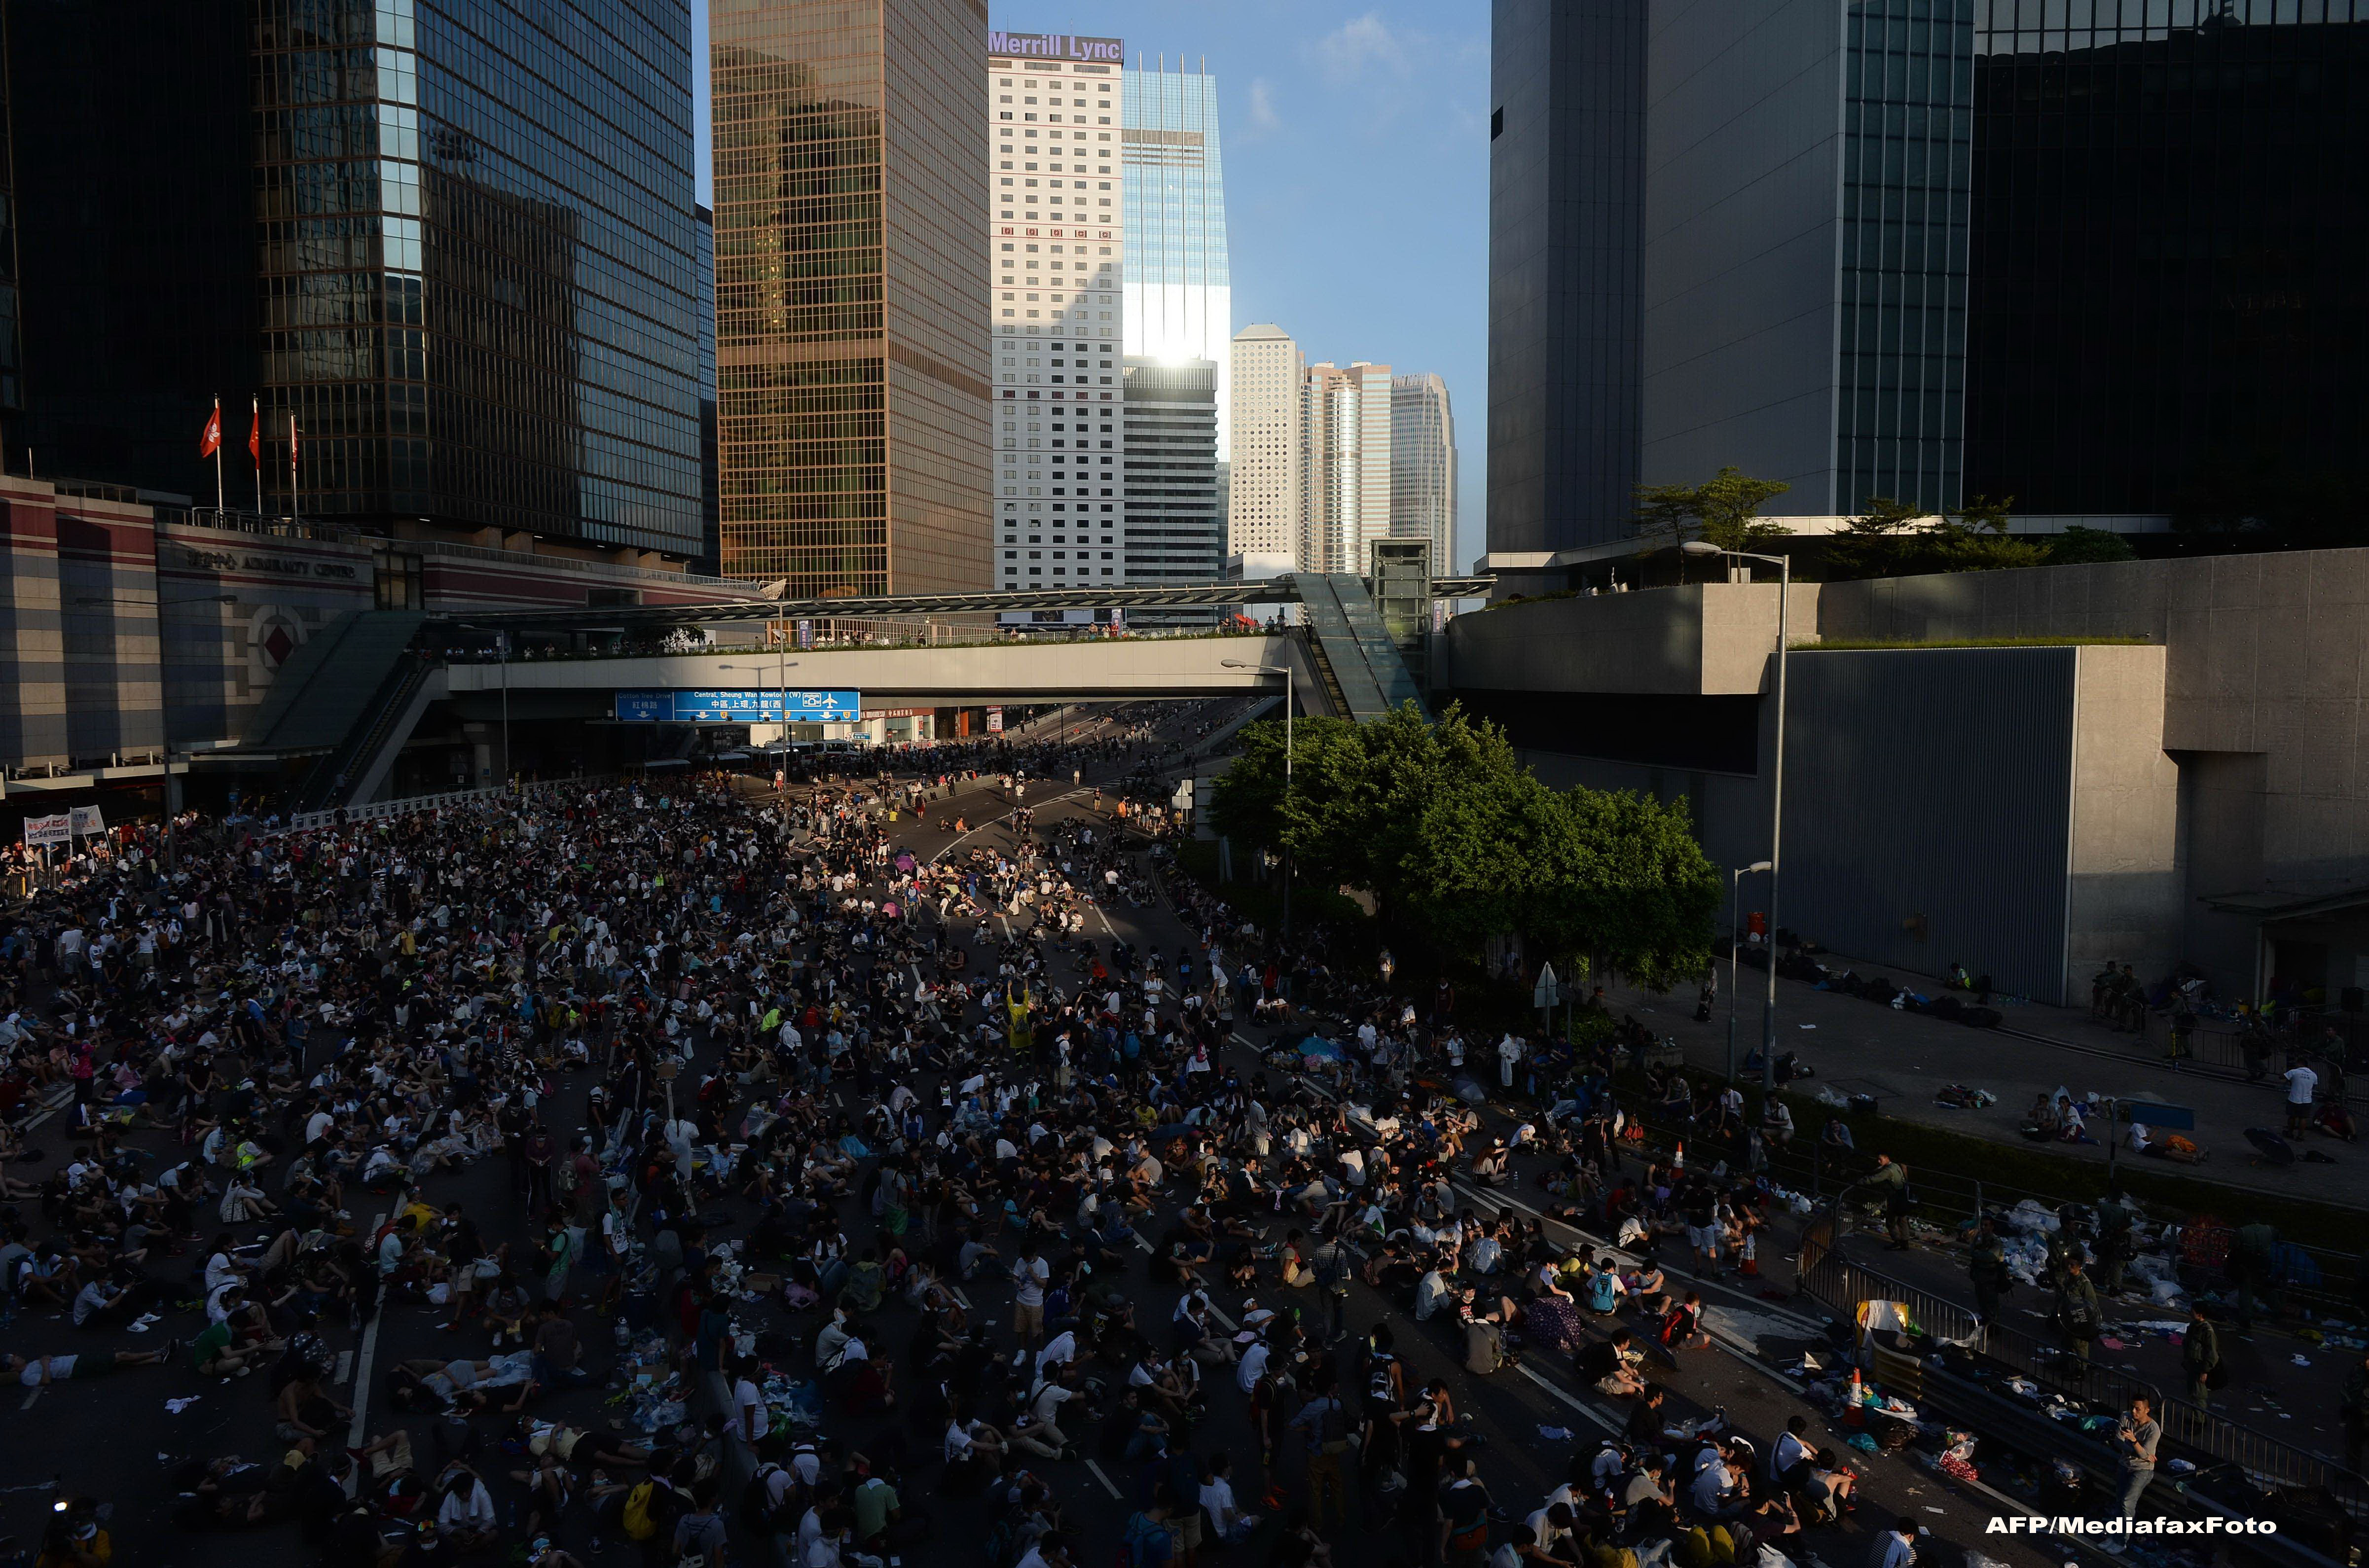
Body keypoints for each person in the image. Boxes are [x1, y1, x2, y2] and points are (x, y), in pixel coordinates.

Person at [2106, 1396, 2160, 1551]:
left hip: (2142, 1470)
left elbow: (2146, 1456)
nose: (2134, 1412)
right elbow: (2118, 1441)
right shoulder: (2126, 1417)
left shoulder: (2153, 1429)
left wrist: (2134, 1441)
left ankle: (2122, 1541)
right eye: (2133, 1408)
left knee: (2127, 1503)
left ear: (2147, 1410)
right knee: (2118, 1502)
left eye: (2138, 1409)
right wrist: (2137, 1451)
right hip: (2125, 1464)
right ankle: (2113, 1536)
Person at [2181, 1305, 2222, 1408]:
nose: (2190, 1313)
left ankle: (2199, 1419)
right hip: (2192, 1363)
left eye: (2193, 1311)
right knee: (2192, 1391)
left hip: (2200, 1366)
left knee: (2199, 1394)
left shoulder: (2207, 1331)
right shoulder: (2194, 1326)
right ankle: (2195, 1416)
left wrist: (2205, 1370)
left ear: (2200, 1314)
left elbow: (2212, 1353)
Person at [2286, 1059, 2320, 1139]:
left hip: (2294, 1098)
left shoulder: (2294, 1072)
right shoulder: (2313, 1075)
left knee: (2292, 1117)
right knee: (2303, 1118)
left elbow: (2282, 1077)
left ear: (2299, 1064)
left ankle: (2290, 1133)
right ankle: (2300, 1136)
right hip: (2307, 1100)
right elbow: (2314, 1085)